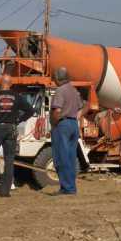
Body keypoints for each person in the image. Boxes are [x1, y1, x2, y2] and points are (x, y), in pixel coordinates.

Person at [50, 67, 84, 195]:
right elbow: (83, 106)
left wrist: (54, 123)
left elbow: (57, 111)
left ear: (58, 79)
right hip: (73, 124)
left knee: (61, 157)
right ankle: (71, 187)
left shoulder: (60, 90)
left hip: (62, 125)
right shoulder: (74, 90)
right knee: (70, 157)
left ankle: (67, 188)